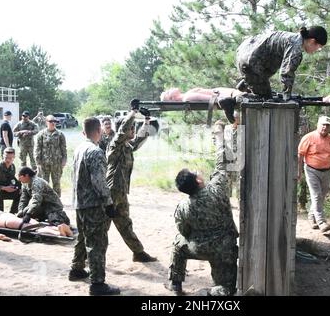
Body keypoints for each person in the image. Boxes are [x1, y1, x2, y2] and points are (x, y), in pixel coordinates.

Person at [167, 121, 239, 296]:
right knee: (226, 288)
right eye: (196, 171)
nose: (198, 171)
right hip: (224, 249)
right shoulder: (217, 188)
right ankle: (212, 292)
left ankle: (176, 284)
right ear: (198, 181)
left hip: (199, 248)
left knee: (178, 243)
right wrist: (219, 135)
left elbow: (183, 230)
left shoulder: (183, 207)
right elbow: (221, 163)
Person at [69, 117, 120, 296]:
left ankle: (76, 268)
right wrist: (108, 203)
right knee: (97, 243)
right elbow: (99, 181)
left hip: (79, 203)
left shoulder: (79, 149)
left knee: (83, 237)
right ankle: (97, 284)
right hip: (92, 204)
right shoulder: (95, 151)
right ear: (98, 130)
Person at [106, 100, 157, 263]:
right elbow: (122, 130)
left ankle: (138, 252)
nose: (133, 130)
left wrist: (147, 120)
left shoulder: (127, 146)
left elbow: (140, 139)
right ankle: (84, 258)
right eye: (131, 128)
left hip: (120, 192)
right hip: (111, 192)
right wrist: (133, 112)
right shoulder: (116, 144)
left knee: (125, 223)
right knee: (101, 226)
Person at [236, 26, 329, 99]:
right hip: (251, 64)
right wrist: (287, 97)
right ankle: (235, 99)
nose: (317, 50)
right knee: (265, 100)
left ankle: (246, 83)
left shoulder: (293, 38)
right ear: (312, 41)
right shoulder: (295, 47)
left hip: (245, 56)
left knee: (266, 90)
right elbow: (287, 72)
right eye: (319, 47)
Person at [297, 116, 330, 233]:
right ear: (318, 125)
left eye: (327, 125)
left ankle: (311, 217)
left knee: (321, 196)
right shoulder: (308, 138)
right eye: (323, 124)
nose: (325, 127)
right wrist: (299, 171)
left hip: (326, 171)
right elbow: (300, 155)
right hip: (311, 170)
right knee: (316, 195)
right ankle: (321, 221)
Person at [0, 208, 73, 241]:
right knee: (39, 225)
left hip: (5, 220)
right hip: (10, 216)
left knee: (35, 229)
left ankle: (59, 232)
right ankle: (58, 228)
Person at [34, 115, 67, 197]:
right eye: (50, 121)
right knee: (44, 183)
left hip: (57, 163)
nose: (53, 123)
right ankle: (46, 200)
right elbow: (37, 149)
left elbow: (63, 148)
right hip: (44, 163)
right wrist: (38, 162)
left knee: (56, 183)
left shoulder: (60, 134)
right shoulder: (41, 134)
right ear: (46, 122)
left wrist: (64, 160)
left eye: (54, 121)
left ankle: (57, 201)